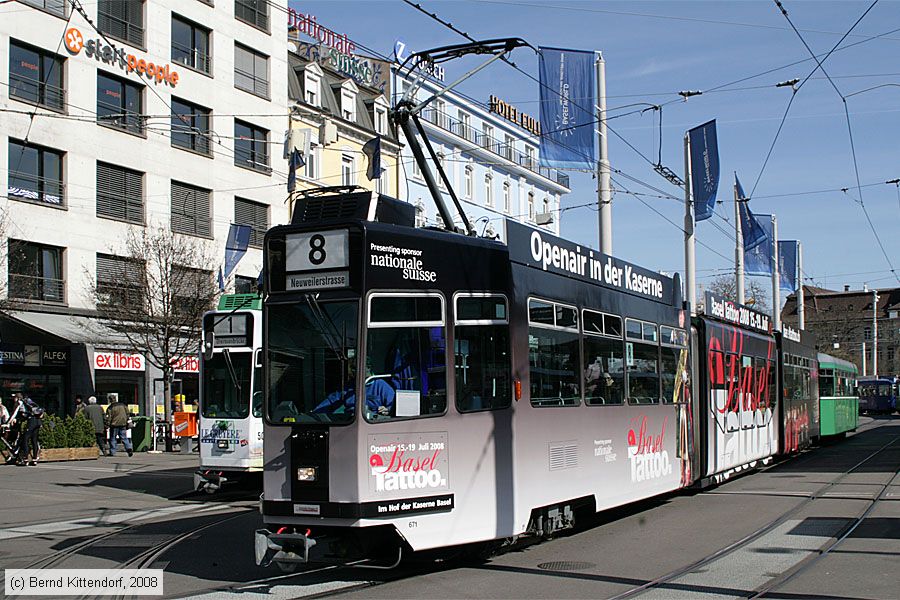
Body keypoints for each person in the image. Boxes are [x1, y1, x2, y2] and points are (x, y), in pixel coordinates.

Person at [313, 361, 396, 417]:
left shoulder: (382, 385)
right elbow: (331, 401)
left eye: (356, 368)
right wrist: (314, 414)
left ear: (368, 367)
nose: (354, 372)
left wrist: (387, 410)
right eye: (353, 369)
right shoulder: (349, 386)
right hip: (351, 421)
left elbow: (393, 406)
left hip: (372, 424)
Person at [15, 393, 44, 466]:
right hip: (38, 421)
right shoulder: (29, 402)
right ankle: (34, 459)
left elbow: (17, 414)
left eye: (15, 398)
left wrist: (10, 421)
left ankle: (25, 459)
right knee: (34, 440)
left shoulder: (20, 403)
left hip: (31, 421)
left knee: (25, 439)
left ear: (18, 398)